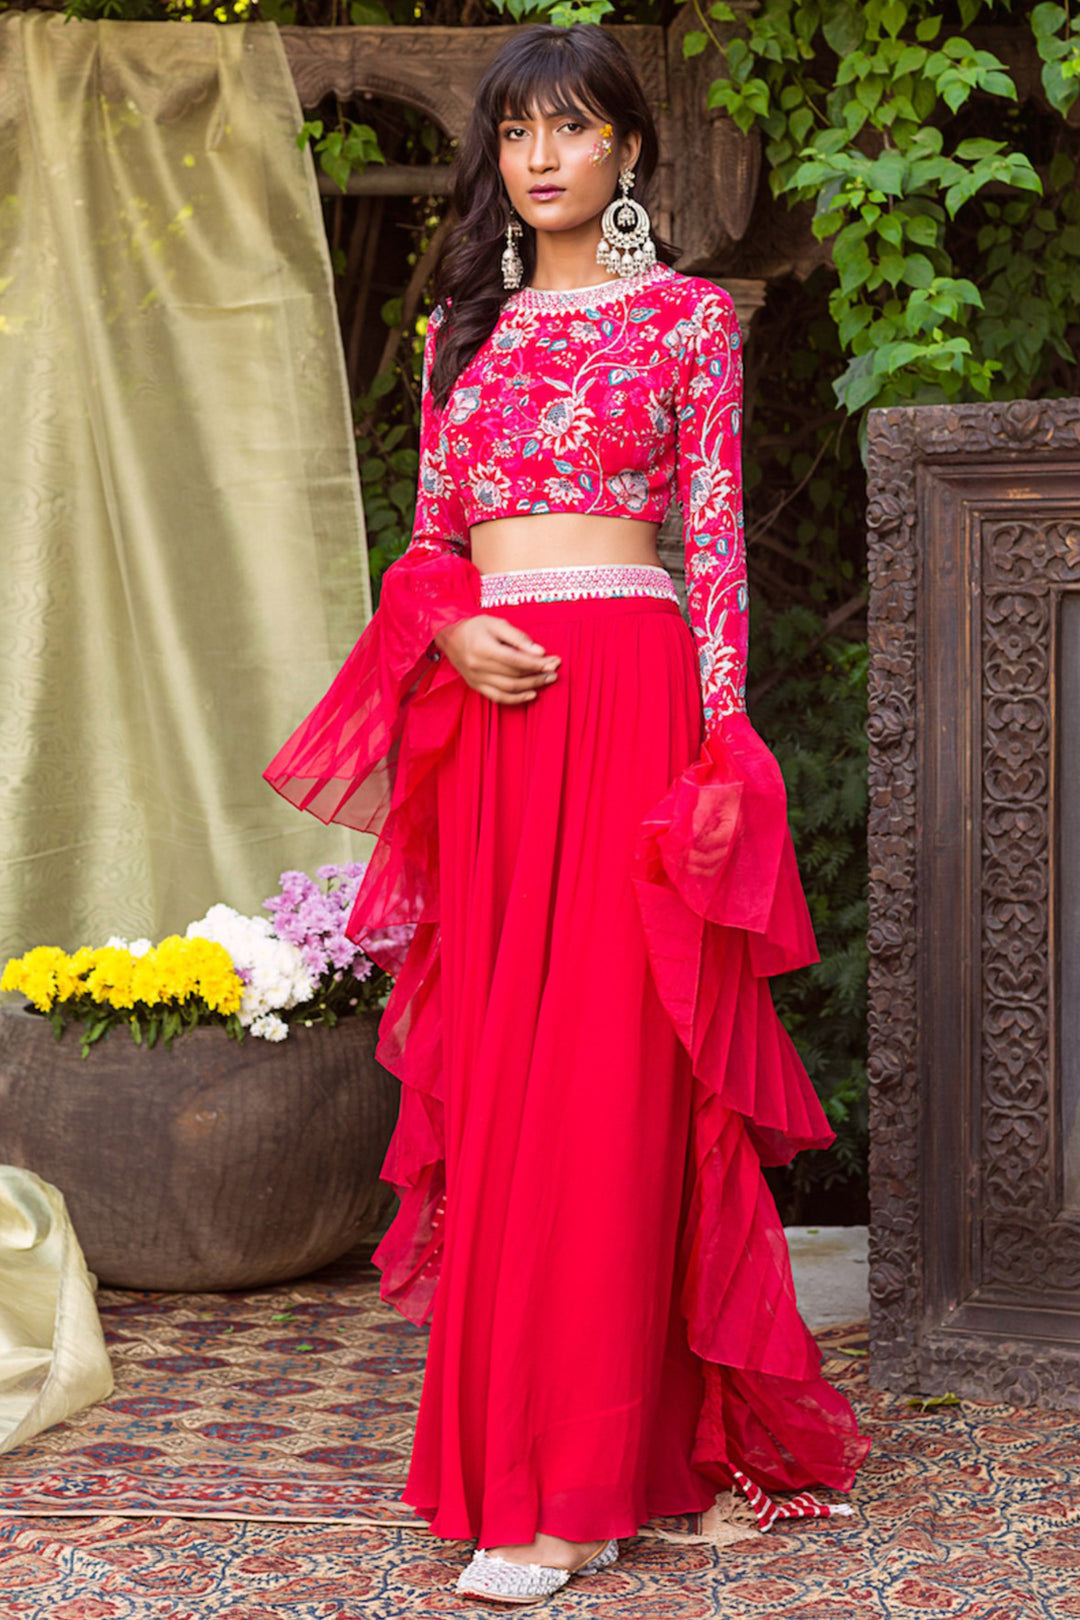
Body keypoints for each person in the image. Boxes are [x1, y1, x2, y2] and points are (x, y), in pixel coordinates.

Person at [264, 21, 869, 1606]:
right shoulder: (459, 325)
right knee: (517, 1084)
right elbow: (427, 544)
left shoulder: (682, 321)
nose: (541, 156)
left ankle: (582, 1483)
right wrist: (449, 626)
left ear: (628, 153)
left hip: (631, 702)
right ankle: (511, 1461)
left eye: (573, 129)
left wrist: (723, 750)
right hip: (500, 720)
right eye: (517, 131)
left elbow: (720, 543)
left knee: (611, 1074)